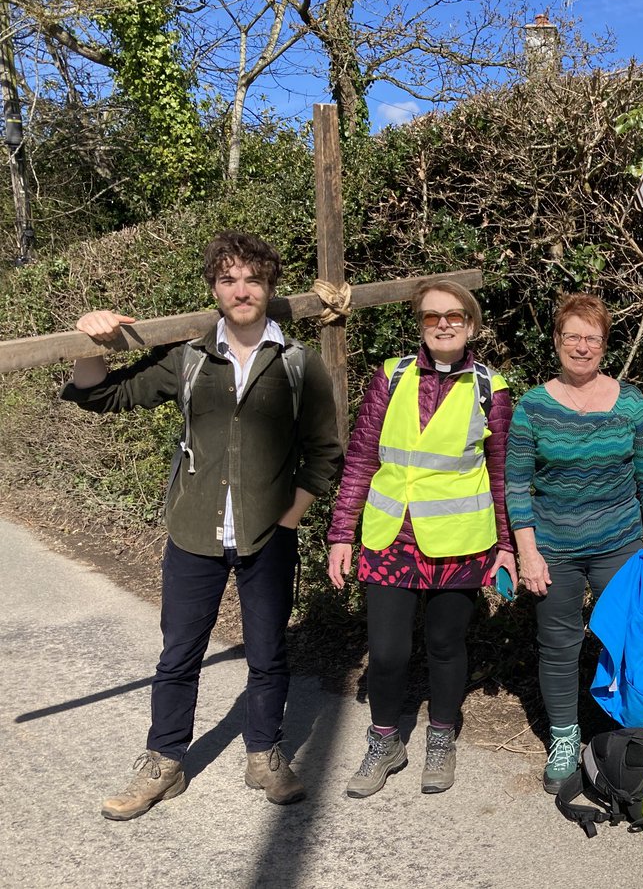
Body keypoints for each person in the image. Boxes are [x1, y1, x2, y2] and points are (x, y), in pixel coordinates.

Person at [62, 231, 343, 820]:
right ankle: (164, 763)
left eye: (252, 278)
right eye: (228, 279)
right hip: (194, 532)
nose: (241, 290)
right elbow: (104, 396)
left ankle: (265, 754)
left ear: (269, 286)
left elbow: (324, 453)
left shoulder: (298, 364)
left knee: (268, 654)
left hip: (268, 535)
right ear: (214, 288)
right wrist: (92, 341)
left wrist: (290, 518)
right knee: (178, 653)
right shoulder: (189, 359)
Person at [327, 280, 514, 797]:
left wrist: (507, 546)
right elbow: (362, 458)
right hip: (390, 537)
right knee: (386, 652)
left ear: (472, 324)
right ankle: (385, 740)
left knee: (445, 645)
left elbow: (502, 475)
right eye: (432, 317)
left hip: (460, 541)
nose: (443, 325)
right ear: (421, 326)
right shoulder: (391, 376)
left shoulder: (490, 389)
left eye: (454, 316)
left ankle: (440, 737)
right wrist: (341, 534)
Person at [505, 293, 643, 793]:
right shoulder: (533, 407)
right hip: (553, 547)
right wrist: (527, 551)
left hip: (619, 542)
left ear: (605, 345)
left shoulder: (629, 402)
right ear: (557, 341)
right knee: (559, 646)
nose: (582, 347)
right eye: (573, 336)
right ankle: (564, 738)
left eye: (593, 338)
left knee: (635, 640)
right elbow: (516, 483)